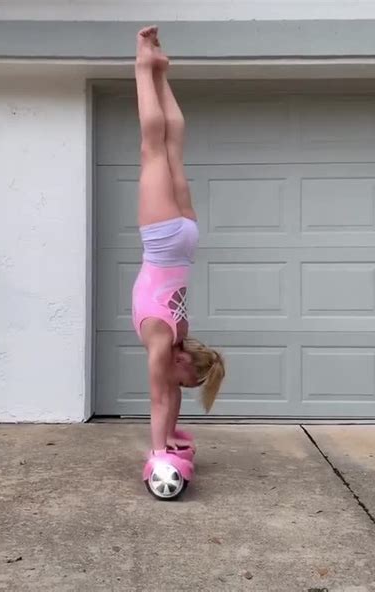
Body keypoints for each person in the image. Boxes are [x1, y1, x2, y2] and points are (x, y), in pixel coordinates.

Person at [132, 26, 226, 461]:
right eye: (186, 380)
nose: (178, 384)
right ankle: (143, 65)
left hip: (187, 239)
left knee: (172, 149)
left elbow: (170, 398)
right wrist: (158, 453)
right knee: (155, 147)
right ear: (186, 362)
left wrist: (171, 436)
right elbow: (159, 400)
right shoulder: (160, 340)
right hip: (165, 239)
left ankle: (161, 72)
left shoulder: (180, 337)